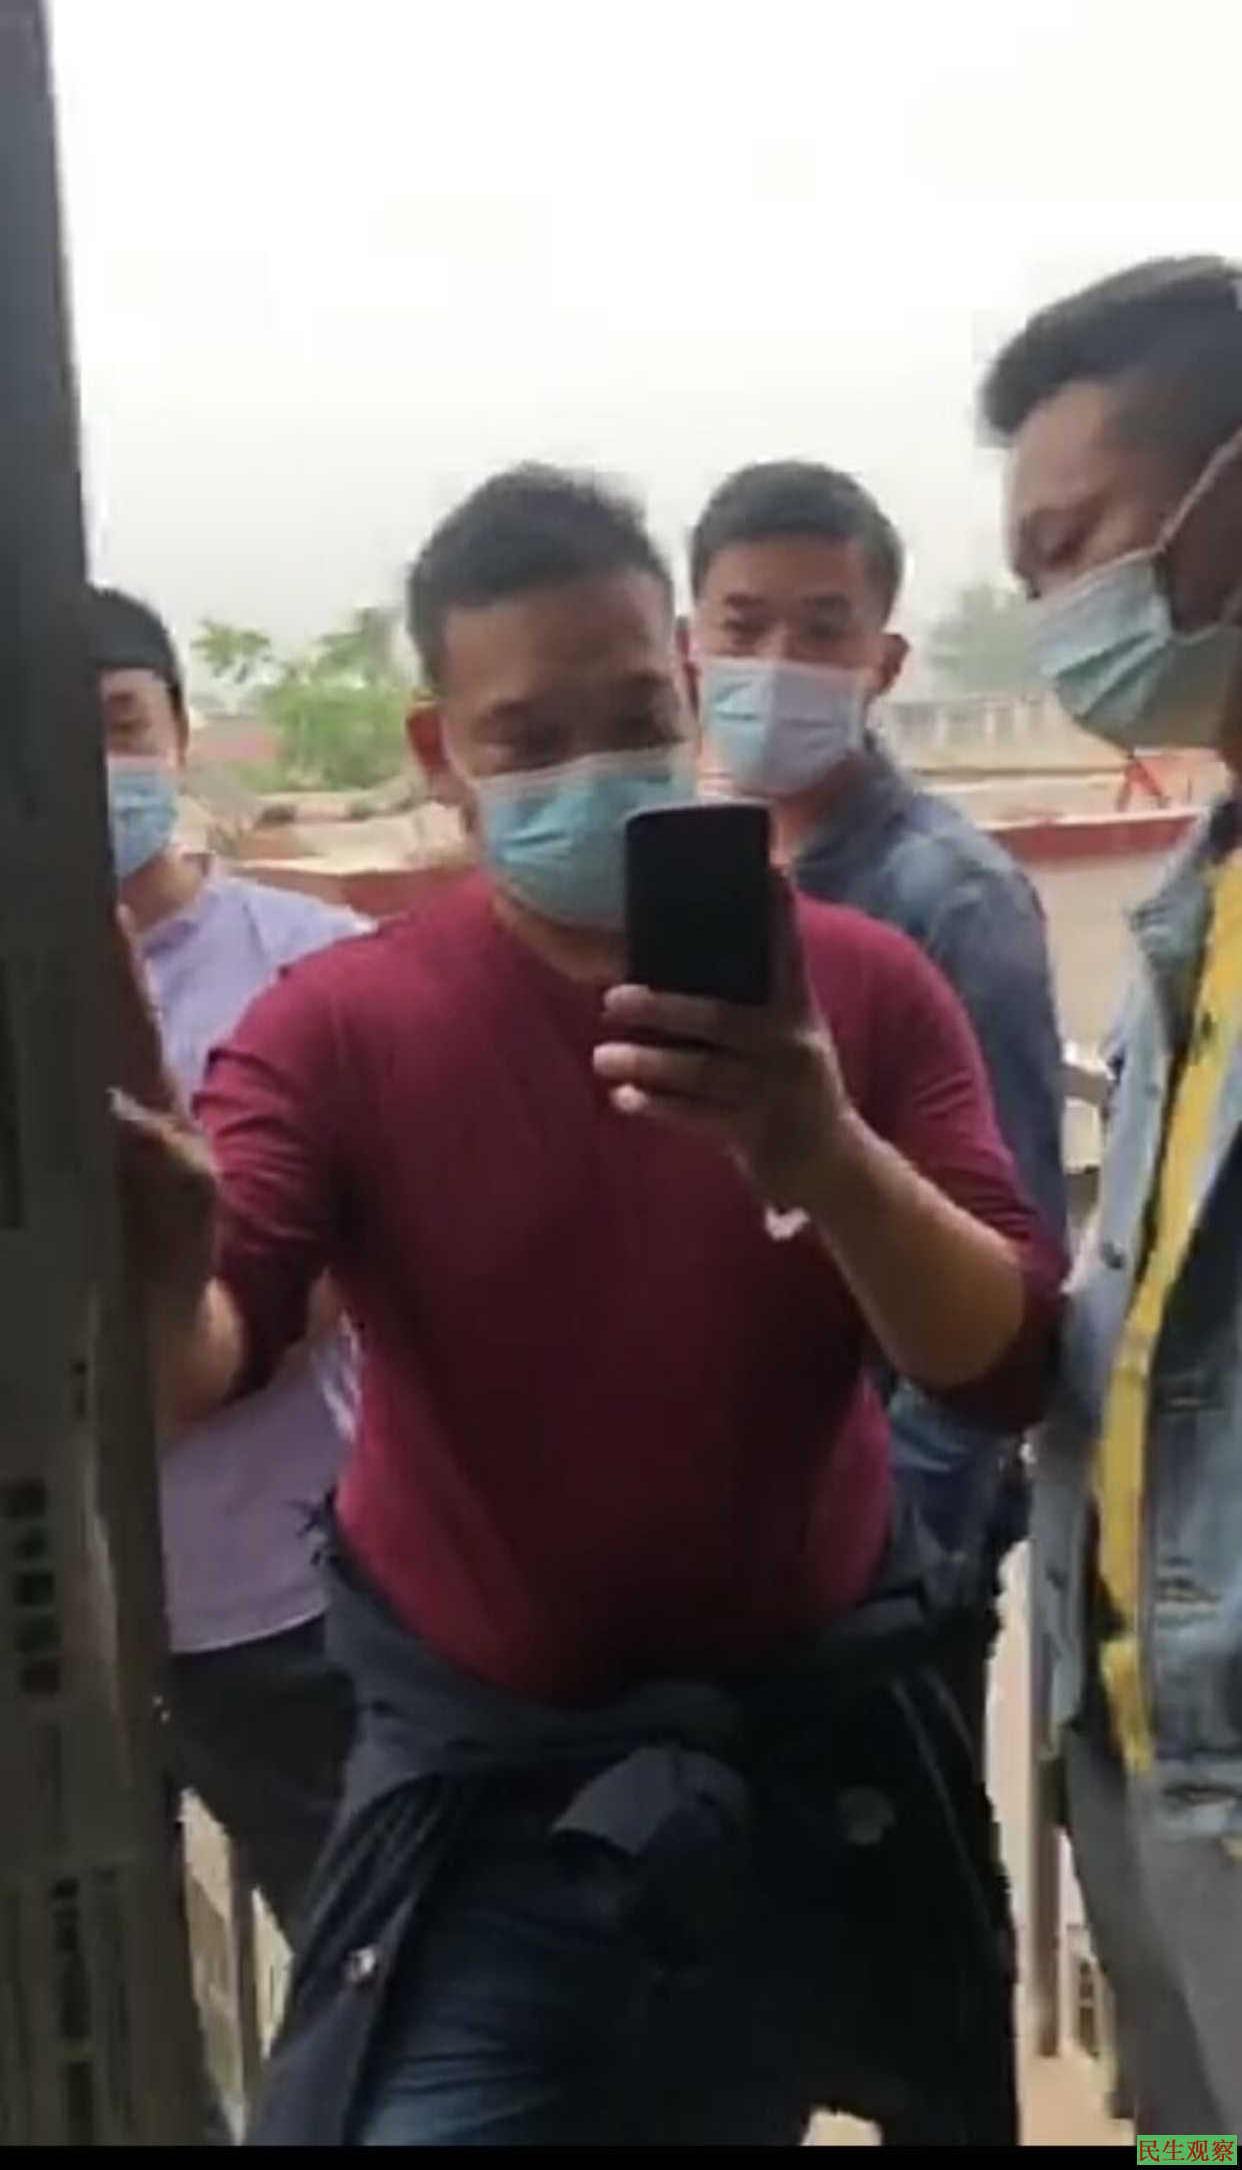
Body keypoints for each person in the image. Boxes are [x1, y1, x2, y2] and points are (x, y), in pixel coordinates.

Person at [110, 469, 1064, 2147]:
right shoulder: (335, 1030)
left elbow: (1000, 1368)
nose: (592, 772)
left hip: (820, 1759)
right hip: (493, 1794)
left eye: (629, 719)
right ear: (440, 753)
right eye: (528, 739)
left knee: (930, 2109)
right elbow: (205, 1361)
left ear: (685, 690)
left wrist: (826, 1156)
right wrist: (158, 1268)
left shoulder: (860, 988)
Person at [981, 255, 1242, 2135]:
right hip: (1145, 1766)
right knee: (1187, 2136)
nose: (1058, 618)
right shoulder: (1192, 907)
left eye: (1072, 547)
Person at [690, 461, 1067, 1754]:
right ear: (690, 646)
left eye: (821, 629)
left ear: (883, 662)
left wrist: (900, 1543)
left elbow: (1009, 1250)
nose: (777, 664)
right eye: (743, 626)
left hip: (879, 1552)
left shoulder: (950, 899)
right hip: (731, 1521)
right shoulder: (688, 872)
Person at [90, 586, 357, 1942]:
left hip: (285, 1595)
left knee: (367, 1957)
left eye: (117, 726)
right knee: (101, 1986)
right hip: (63, 1629)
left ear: (179, 735)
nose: (85, 770)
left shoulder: (313, 970)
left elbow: (316, 1279)